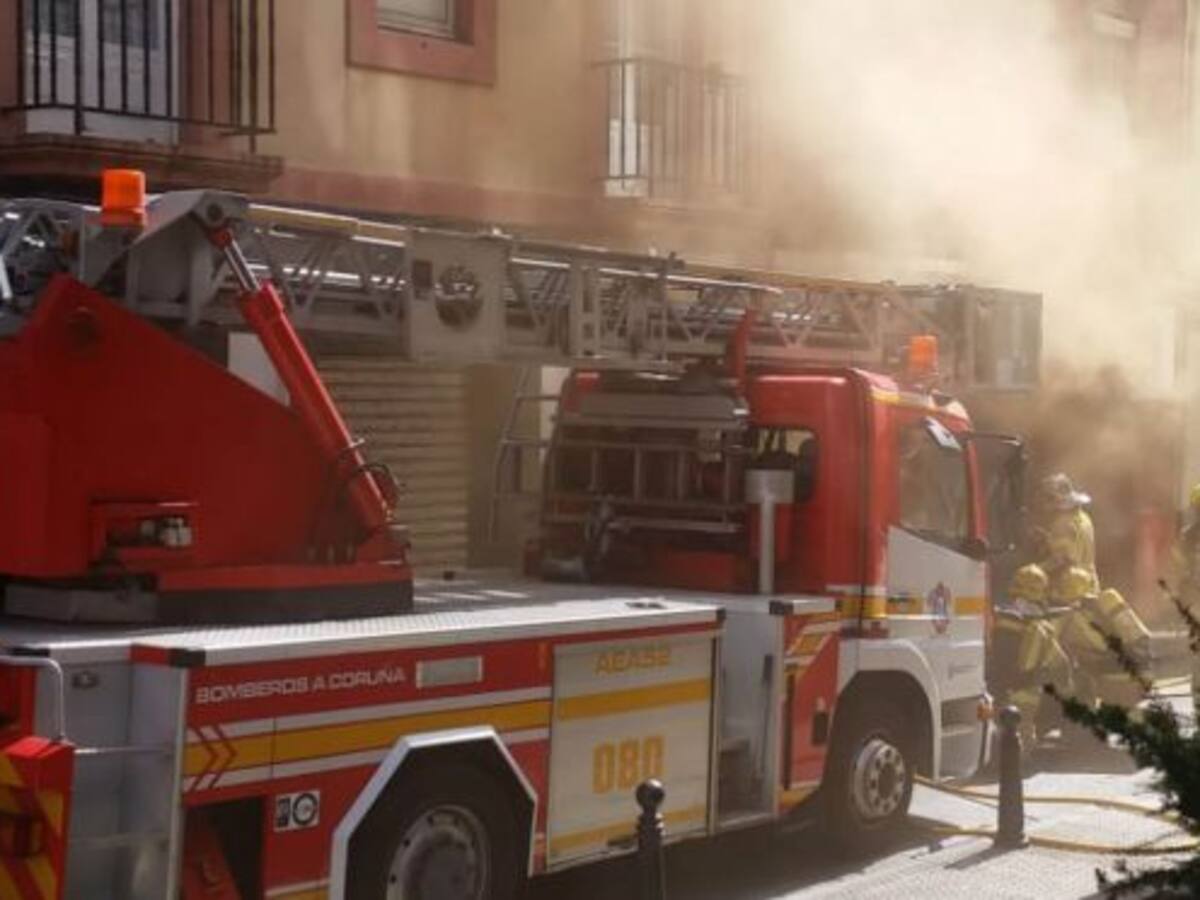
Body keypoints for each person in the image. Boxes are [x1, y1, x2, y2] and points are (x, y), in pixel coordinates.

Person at [994, 564, 1075, 743]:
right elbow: (1059, 662)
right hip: (1024, 685)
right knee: (1022, 731)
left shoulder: (1001, 613)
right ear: (1041, 590)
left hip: (997, 683)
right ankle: (1016, 755)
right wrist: (1068, 690)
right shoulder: (1039, 626)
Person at [1053, 566, 1149, 708]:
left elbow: (1099, 648)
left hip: (1112, 681)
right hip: (1143, 675)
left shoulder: (1069, 617)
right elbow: (1141, 636)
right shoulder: (1110, 597)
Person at [1032, 473, 1098, 593]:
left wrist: (1035, 571)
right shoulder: (1084, 518)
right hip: (1089, 586)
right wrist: (1048, 539)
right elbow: (1076, 546)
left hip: (1068, 591)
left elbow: (1061, 560)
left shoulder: (1062, 524)